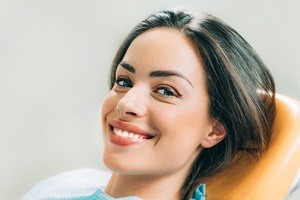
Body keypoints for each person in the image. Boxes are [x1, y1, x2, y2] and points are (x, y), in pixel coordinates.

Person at [22, 8, 276, 200]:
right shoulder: (63, 185)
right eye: (124, 81)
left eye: (165, 90)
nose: (126, 103)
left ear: (215, 129)